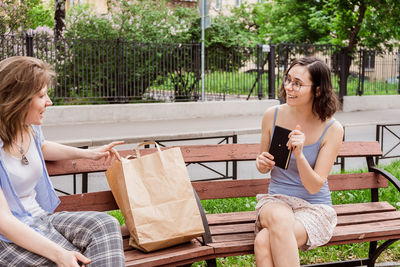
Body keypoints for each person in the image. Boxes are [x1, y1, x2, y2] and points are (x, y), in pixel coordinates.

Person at [0, 56, 125, 267]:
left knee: (105, 225)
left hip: (40, 218)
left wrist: (90, 154)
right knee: (74, 258)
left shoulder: (29, 127)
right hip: (7, 236)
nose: (49, 102)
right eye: (41, 95)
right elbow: (4, 221)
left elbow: (42, 147)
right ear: (17, 99)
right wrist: (60, 254)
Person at [254, 57, 344, 266]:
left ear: (318, 90)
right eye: (288, 80)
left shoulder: (332, 129)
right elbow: (261, 164)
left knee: (263, 241)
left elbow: (314, 186)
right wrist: (262, 163)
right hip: (276, 201)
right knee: (280, 218)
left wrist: (300, 155)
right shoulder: (272, 115)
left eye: (297, 84)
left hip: (314, 207)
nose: (288, 88)